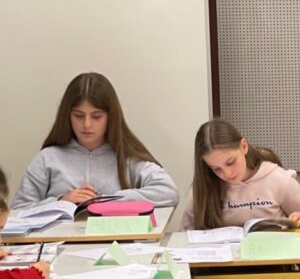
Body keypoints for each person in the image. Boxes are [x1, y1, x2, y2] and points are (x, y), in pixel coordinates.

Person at [12, 72, 178, 210]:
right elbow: (18, 210)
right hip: (59, 240)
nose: (87, 124)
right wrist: (62, 202)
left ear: (110, 117)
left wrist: (108, 200)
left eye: (96, 116)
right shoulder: (47, 158)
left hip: (116, 239)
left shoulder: (126, 156)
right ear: (67, 115)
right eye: (78, 116)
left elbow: (168, 192)